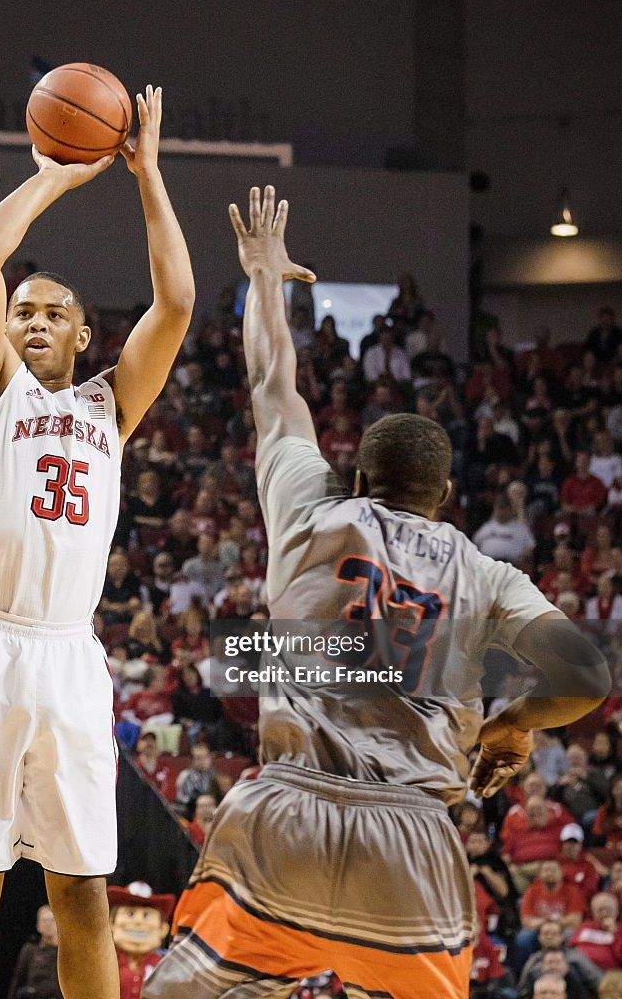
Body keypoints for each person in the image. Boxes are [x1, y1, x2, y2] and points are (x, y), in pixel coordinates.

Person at [143, 186, 611, 999]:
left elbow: (272, 383)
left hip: (287, 812)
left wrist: (262, 276)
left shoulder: (310, 508)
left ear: (356, 476)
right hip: (412, 834)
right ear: (442, 498)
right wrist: (511, 725)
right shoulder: (485, 571)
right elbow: (587, 679)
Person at [0, 84, 194, 999]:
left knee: (83, 895)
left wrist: (147, 175)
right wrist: (53, 178)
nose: (31, 320)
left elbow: (178, 302)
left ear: (82, 333)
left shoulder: (110, 406)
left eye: (51, 311)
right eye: (21, 309)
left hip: (69, 660)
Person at [7, 905, 62, 999]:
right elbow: (17, 980)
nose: (48, 924)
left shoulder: (64, 954)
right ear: (38, 926)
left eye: (52, 920)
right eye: (44, 920)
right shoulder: (29, 950)